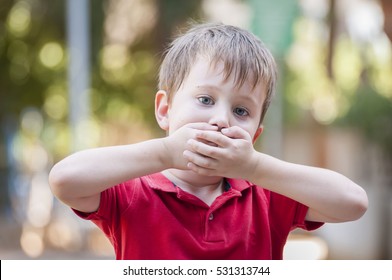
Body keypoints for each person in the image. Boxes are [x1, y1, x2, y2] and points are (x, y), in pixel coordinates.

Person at [49, 22, 368, 260]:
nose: (221, 119)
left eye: (241, 110)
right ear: (165, 110)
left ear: (255, 134)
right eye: (205, 99)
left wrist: (254, 167)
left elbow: (353, 203)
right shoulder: (134, 191)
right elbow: (65, 180)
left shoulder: (266, 197)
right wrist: (164, 153)